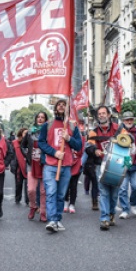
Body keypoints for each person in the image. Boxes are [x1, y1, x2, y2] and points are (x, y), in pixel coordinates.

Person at [38, 99, 82, 233]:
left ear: (67, 109)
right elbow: (41, 143)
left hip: (66, 165)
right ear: (55, 109)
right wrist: (54, 153)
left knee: (61, 195)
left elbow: (79, 146)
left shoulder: (73, 126)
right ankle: (52, 220)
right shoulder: (48, 124)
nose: (62, 106)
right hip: (50, 165)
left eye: (64, 105)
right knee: (51, 192)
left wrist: (69, 139)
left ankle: (57, 219)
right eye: (59, 105)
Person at [85, 106, 120, 229]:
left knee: (114, 194)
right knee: (104, 192)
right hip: (101, 165)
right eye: (99, 114)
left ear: (109, 115)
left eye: (103, 113)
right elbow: (88, 147)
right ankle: (104, 218)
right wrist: (95, 150)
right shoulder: (93, 131)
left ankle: (111, 213)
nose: (101, 115)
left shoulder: (118, 129)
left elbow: (128, 140)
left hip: (116, 165)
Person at [22, 112, 48, 221]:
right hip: (31, 164)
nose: (40, 119)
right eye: (38, 117)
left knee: (43, 191)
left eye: (42, 117)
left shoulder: (48, 132)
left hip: (44, 164)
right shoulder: (28, 133)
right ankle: (33, 206)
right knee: (31, 190)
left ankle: (43, 212)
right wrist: (26, 155)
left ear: (45, 120)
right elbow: (22, 146)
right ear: (36, 119)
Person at [64, 131, 84, 214]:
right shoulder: (64, 136)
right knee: (65, 185)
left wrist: (82, 162)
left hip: (77, 164)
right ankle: (65, 202)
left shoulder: (81, 139)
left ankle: (72, 204)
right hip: (66, 164)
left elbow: (82, 151)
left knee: (73, 185)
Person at [11, 128, 29, 205]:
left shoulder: (30, 143)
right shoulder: (15, 143)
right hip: (18, 166)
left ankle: (28, 201)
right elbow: (11, 155)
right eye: (25, 133)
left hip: (28, 166)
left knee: (28, 184)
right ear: (21, 134)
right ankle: (17, 198)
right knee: (18, 184)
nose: (26, 135)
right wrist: (12, 165)